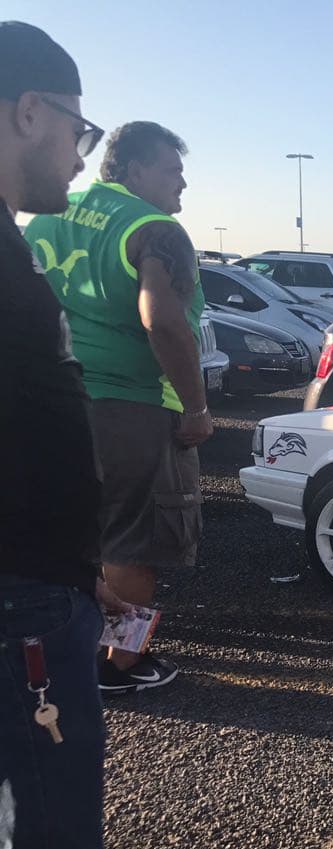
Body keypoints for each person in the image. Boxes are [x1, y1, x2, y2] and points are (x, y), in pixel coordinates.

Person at [0, 22, 133, 849]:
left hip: (37, 581)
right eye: (81, 136)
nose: (81, 161)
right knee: (49, 845)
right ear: (29, 110)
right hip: (22, 598)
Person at [24, 121, 211, 696]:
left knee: (64, 535)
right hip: (130, 408)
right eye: (172, 171)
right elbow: (163, 322)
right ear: (133, 171)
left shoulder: (49, 214)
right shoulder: (153, 230)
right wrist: (198, 408)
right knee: (134, 543)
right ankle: (117, 665)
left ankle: (52, 655)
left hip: (48, 402)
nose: (183, 185)